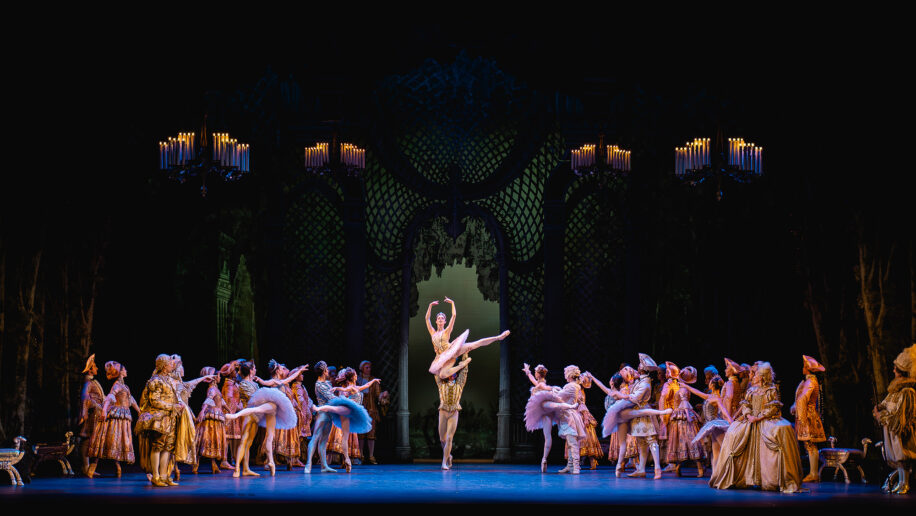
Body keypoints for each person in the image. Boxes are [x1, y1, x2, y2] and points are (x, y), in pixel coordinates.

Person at [709, 362, 803, 493]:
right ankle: (739, 478)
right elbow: (746, 404)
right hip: (750, 419)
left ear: (763, 376)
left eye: (757, 374)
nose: (754, 376)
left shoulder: (771, 390)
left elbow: (773, 407)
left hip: (765, 419)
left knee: (780, 430)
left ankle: (771, 479)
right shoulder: (751, 390)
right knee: (734, 433)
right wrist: (748, 415)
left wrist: (758, 418)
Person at [224, 360, 305, 477]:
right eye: (255, 368)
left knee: (249, 443)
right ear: (251, 371)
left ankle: (246, 469)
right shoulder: (243, 384)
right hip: (248, 415)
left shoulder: (255, 384)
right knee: (244, 441)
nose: (256, 370)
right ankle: (237, 469)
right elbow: (253, 398)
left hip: (257, 416)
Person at [426, 297, 510, 379]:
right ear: (436, 321)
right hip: (442, 357)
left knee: (476, 344)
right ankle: (462, 365)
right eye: (439, 318)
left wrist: (452, 303)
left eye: (442, 318)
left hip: (452, 351)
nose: (440, 319)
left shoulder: (446, 331)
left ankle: (499, 337)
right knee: (442, 375)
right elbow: (427, 319)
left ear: (445, 321)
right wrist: (430, 306)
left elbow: (454, 315)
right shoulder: (433, 333)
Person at [315, 367, 379, 473]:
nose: (357, 376)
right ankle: (318, 408)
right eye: (355, 375)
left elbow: (366, 385)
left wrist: (374, 380)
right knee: (335, 409)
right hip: (348, 409)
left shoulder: (356, 387)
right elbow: (345, 389)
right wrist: (337, 389)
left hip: (351, 413)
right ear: (353, 377)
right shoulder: (351, 387)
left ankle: (347, 460)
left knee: (345, 438)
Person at [873, 343, 916, 494]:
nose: (893, 370)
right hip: (890, 429)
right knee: (897, 458)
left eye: (895, 368)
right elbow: (886, 404)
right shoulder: (894, 389)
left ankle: (905, 483)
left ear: (900, 371)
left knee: (903, 457)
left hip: (899, 430)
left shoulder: (907, 391)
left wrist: (881, 416)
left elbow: (900, 416)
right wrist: (880, 408)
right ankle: (900, 482)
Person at [135, 354, 183, 487]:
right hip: (159, 418)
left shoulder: (168, 379)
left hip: (170, 417)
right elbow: (154, 400)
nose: (171, 365)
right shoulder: (155, 380)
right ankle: (155, 476)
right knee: (158, 446)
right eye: (169, 363)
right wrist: (171, 406)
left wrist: (178, 405)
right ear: (163, 365)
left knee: (168, 447)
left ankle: (164, 475)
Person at [87, 361, 140, 478]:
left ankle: (118, 467)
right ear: (120, 372)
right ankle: (93, 467)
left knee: (117, 442)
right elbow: (109, 397)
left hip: (123, 415)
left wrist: (139, 411)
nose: (126, 371)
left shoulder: (125, 386)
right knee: (107, 440)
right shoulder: (117, 385)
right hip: (116, 415)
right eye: (124, 369)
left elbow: (131, 400)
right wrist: (104, 411)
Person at [522, 363, 577, 472]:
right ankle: (544, 459)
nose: (534, 374)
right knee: (547, 436)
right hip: (546, 412)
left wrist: (553, 389)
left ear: (538, 374)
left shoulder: (541, 385)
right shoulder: (539, 383)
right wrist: (528, 372)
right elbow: (533, 380)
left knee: (547, 435)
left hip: (543, 407)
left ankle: (571, 406)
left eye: (535, 372)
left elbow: (546, 387)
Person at [659, 363, 706, 477]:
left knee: (687, 440)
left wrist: (688, 416)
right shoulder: (682, 387)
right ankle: (678, 467)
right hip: (679, 416)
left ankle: (698, 468)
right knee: (679, 441)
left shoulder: (683, 389)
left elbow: (685, 403)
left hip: (683, 416)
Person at [790, 355, 826, 483]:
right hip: (807, 413)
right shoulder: (808, 381)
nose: (802, 368)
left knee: (810, 444)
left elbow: (803, 399)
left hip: (808, 415)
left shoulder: (810, 382)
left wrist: (801, 415)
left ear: (808, 369)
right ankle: (813, 473)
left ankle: (813, 473)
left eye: (804, 366)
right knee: (809, 445)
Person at [590, 370, 637, 470]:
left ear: (613, 382)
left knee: (625, 442)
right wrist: (592, 377)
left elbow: (627, 399)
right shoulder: (617, 391)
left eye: (611, 380)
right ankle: (623, 464)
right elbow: (602, 386)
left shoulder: (623, 391)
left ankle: (625, 464)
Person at [687, 374, 730, 477]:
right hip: (711, 425)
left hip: (716, 425)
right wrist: (686, 386)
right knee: (715, 452)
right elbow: (696, 392)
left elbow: (723, 410)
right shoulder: (710, 396)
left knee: (725, 449)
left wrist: (730, 420)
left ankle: (728, 473)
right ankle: (715, 476)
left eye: (710, 382)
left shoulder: (717, 398)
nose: (708, 383)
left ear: (712, 385)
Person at [305, 361, 338, 473]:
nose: (328, 371)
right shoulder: (319, 384)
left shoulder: (327, 383)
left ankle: (324, 466)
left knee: (324, 441)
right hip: (322, 414)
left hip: (329, 414)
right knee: (315, 438)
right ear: (324, 371)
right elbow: (331, 398)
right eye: (327, 370)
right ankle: (308, 464)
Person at [193, 366, 227, 474]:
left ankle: (213, 464)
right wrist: (203, 410)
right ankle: (196, 463)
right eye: (218, 376)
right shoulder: (212, 389)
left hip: (217, 415)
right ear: (213, 377)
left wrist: (230, 410)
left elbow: (221, 401)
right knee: (206, 439)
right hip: (212, 416)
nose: (220, 378)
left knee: (214, 440)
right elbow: (209, 399)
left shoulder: (216, 388)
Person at [78, 354, 105, 477]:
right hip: (92, 414)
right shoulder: (88, 382)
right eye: (94, 367)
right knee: (87, 438)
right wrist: (92, 407)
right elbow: (85, 397)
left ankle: (88, 467)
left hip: (97, 413)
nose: (97, 368)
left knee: (90, 440)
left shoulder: (92, 381)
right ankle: (86, 467)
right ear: (89, 369)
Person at [570, 373, 604, 469]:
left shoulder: (579, 391)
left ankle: (582, 462)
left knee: (584, 438)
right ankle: (589, 462)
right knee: (587, 438)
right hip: (579, 414)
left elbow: (581, 404)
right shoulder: (580, 390)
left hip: (581, 415)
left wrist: (585, 417)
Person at [356, 360, 383, 464]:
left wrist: (383, 396)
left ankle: (371, 456)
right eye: (366, 367)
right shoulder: (357, 380)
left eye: (369, 367)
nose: (369, 369)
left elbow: (378, 394)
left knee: (371, 434)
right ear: (362, 368)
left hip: (371, 410)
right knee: (361, 434)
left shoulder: (373, 380)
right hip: (361, 409)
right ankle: (361, 455)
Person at [219, 361, 243, 469]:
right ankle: (224, 460)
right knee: (227, 438)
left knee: (231, 438)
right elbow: (228, 400)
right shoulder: (228, 384)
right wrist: (237, 407)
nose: (237, 373)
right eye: (235, 371)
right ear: (230, 373)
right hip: (229, 413)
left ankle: (230, 459)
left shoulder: (232, 383)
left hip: (233, 413)